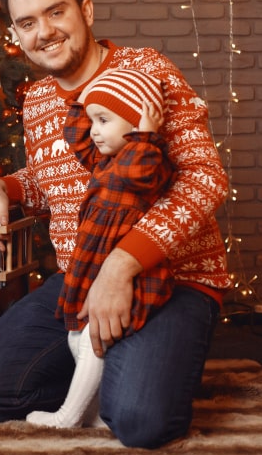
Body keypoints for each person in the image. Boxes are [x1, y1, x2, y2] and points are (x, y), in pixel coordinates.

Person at [0, 0, 231, 448]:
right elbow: (51, 184)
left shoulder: (146, 71)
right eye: (27, 22)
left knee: (140, 422)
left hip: (170, 277)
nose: (44, 31)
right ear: (16, 35)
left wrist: (122, 266)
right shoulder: (38, 101)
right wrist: (1, 186)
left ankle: (139, 375)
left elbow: (204, 178)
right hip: (79, 277)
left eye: (55, 12)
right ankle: (108, 374)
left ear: (85, 10)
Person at [26, 68, 174, 429]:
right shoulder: (106, 163)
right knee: (77, 340)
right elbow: (77, 137)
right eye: (93, 120)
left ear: (136, 124)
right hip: (89, 265)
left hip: (114, 269)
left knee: (93, 341)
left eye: (104, 120)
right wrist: (85, 102)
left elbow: (142, 165)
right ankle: (93, 414)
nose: (94, 130)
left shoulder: (145, 158)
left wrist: (146, 132)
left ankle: (68, 416)